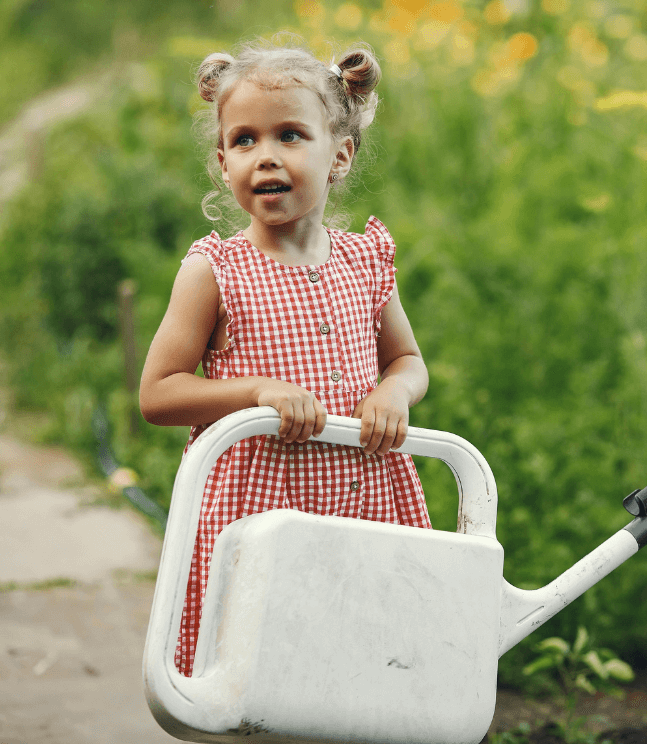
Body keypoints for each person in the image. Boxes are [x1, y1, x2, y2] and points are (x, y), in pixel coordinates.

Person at [139, 36, 431, 677]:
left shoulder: (363, 260)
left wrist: (392, 392)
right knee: (256, 670)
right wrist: (254, 392)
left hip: (363, 504)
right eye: (244, 140)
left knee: (357, 667)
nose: (264, 156)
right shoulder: (216, 270)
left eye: (290, 136)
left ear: (340, 155)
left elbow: (408, 360)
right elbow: (158, 393)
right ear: (222, 162)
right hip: (257, 515)